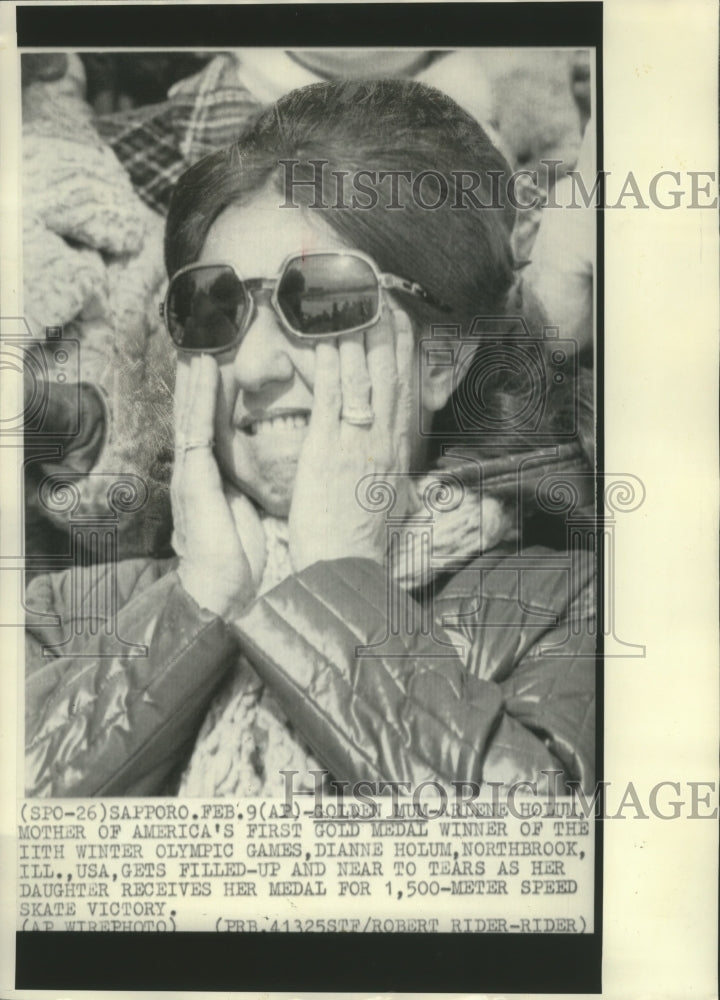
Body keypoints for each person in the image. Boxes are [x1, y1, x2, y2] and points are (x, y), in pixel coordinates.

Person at [25, 80, 595, 799]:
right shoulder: (62, 614)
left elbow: (536, 871)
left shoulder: (576, 605)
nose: (256, 368)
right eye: (215, 308)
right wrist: (196, 607)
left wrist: (336, 582)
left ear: (445, 357)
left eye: (321, 300)